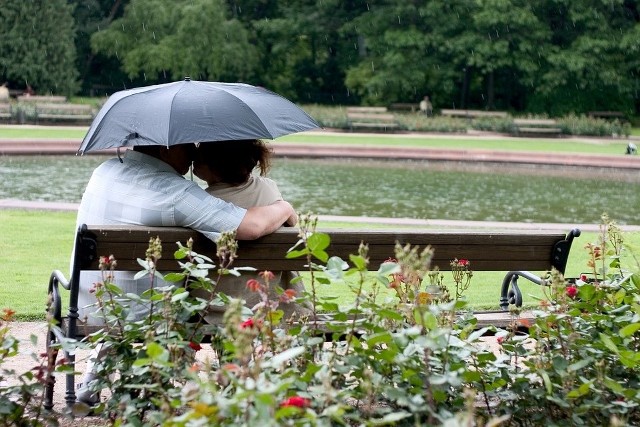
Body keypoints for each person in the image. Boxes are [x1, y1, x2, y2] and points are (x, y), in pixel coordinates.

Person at [75, 143, 295, 404]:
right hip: (151, 313)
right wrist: (285, 208)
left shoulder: (105, 171)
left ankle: (94, 378)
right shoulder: (174, 192)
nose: (193, 150)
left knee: (126, 292)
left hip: (88, 303)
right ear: (166, 149)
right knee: (167, 294)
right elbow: (251, 226)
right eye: (187, 144)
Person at [192, 139, 309, 323]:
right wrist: (285, 207)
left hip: (212, 308)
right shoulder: (268, 189)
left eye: (199, 154)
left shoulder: (202, 202)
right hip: (268, 304)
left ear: (214, 165)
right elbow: (293, 221)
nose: (193, 156)